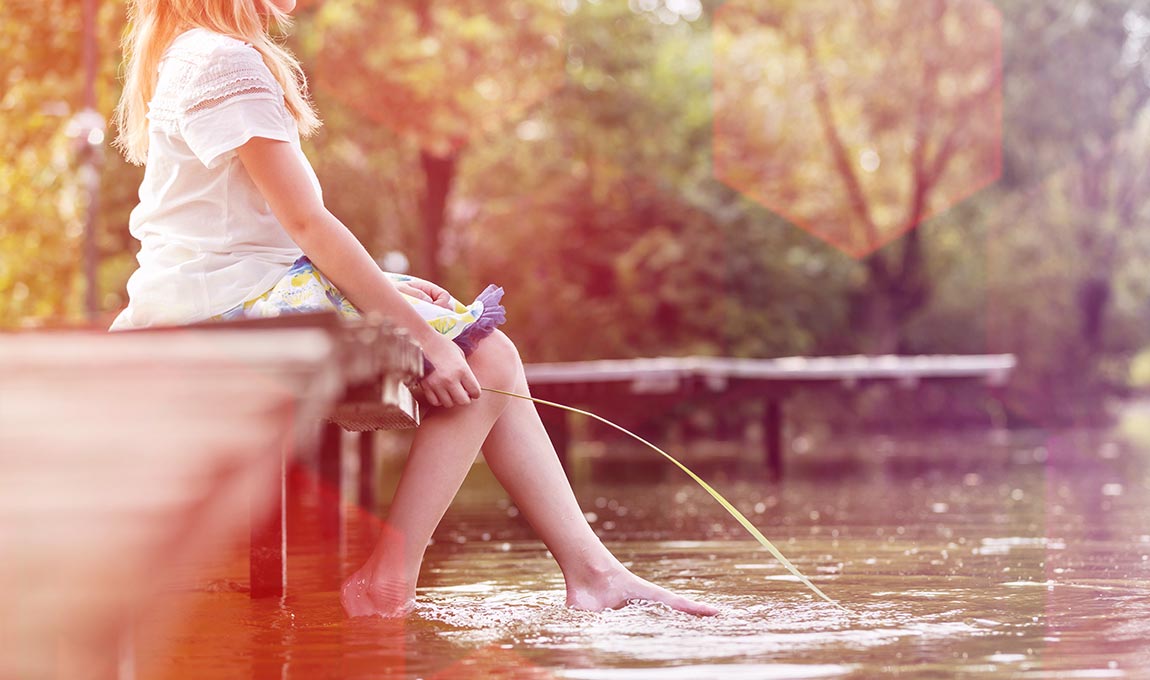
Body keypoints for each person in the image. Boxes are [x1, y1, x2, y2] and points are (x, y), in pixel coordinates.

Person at [109, 0, 717, 618]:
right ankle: (408, 579)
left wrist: (387, 286)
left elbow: (251, 231)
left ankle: (587, 573)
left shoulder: (197, 51)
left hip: (216, 297)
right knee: (483, 356)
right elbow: (305, 222)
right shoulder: (225, 61)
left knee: (486, 354)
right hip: (222, 312)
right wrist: (426, 340)